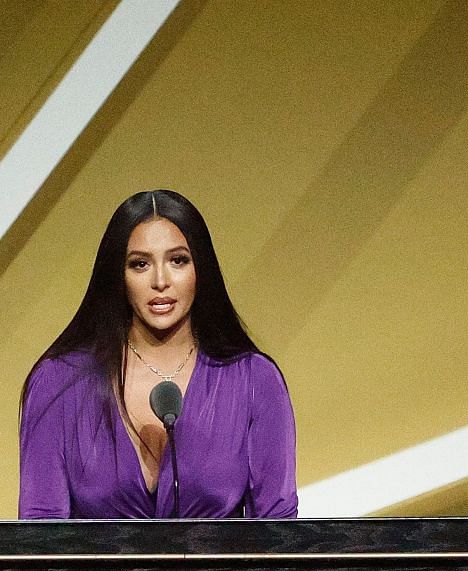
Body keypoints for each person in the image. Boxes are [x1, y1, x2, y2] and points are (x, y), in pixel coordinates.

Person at [19, 189, 296, 519]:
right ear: (118, 276)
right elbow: (40, 538)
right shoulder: (58, 383)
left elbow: (278, 534)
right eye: (140, 264)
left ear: (200, 269)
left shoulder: (255, 381)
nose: (160, 281)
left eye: (178, 260)